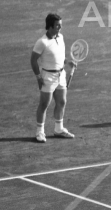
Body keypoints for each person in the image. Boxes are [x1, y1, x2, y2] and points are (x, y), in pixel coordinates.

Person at [30, 13, 77, 143]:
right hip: (48, 77)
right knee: (44, 104)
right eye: (57, 25)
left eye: (60, 25)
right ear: (50, 26)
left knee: (61, 102)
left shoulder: (60, 37)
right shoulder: (42, 42)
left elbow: (60, 57)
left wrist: (68, 62)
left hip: (61, 75)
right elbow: (33, 60)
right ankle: (40, 132)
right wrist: (38, 77)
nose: (60, 28)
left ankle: (59, 129)